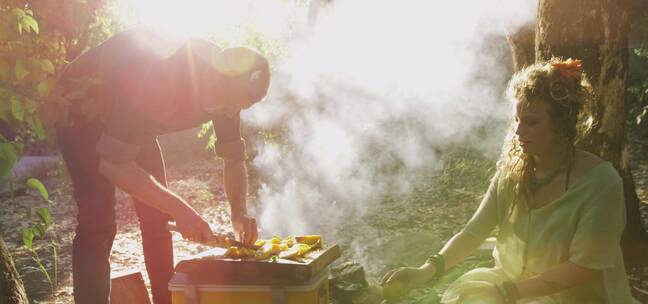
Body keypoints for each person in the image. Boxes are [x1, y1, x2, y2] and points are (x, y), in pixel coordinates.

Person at [380, 59, 633, 303]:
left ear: (562, 125)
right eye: (517, 120)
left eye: (531, 122)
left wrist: (506, 294)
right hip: (508, 286)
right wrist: (426, 270)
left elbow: (582, 268)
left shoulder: (601, 183)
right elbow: (474, 231)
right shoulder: (513, 172)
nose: (519, 131)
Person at [54, 27, 270, 304]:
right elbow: (113, 166)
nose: (230, 114)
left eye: (238, 108)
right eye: (229, 105)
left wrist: (238, 212)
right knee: (98, 222)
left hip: (132, 119)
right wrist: (182, 210)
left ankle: (165, 300)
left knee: (158, 217)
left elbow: (233, 157)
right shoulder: (162, 77)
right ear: (214, 79)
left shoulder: (229, 86)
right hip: (79, 110)